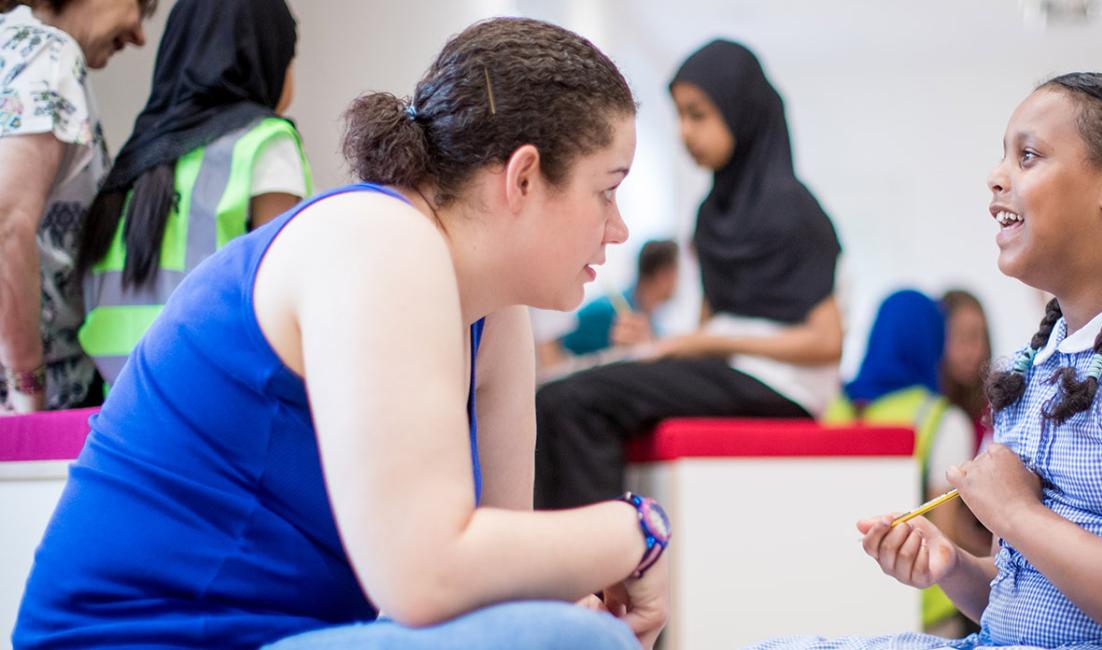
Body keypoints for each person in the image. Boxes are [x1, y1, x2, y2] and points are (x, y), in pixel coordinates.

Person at [14, 17, 668, 650]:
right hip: (140, 641)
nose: (618, 230)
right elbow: (426, 575)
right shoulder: (378, 240)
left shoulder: (493, 315)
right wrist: (637, 527)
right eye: (606, 191)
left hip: (278, 636)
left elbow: (490, 584)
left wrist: (558, 596)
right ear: (522, 177)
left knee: (569, 634)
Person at [755, 72, 1102, 649]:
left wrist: (1012, 511)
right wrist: (953, 566)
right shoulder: (1042, 362)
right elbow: (1035, 601)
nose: (996, 177)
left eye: (1028, 156)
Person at [534, 38, 842, 510]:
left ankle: (593, 575)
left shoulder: (797, 212)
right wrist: (658, 345)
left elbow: (826, 343)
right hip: (730, 371)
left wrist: (705, 344)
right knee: (558, 392)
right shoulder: (711, 214)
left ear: (740, 109)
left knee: (574, 402)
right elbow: (707, 327)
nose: (684, 132)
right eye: (679, 115)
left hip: (785, 387)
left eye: (698, 114)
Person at [75, 0, 310, 387]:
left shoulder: (133, 159)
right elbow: (287, 298)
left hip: (117, 407)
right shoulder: (265, 141)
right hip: (217, 401)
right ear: (265, 54)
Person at [0, 0, 155, 414]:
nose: (140, 35)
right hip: (34, 402)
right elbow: (6, 226)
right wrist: (28, 391)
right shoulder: (46, 52)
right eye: (140, 6)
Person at [821, 289, 979, 635]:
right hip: (922, 612)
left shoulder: (835, 410)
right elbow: (946, 535)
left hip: (841, 600)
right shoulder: (940, 419)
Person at [536, 239, 679, 380]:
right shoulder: (607, 311)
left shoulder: (651, 322)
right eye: (678, 273)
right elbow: (551, 347)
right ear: (664, 276)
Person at [940, 289, 993, 453]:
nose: (975, 351)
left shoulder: (994, 413)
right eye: (962, 337)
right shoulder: (928, 413)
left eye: (980, 337)